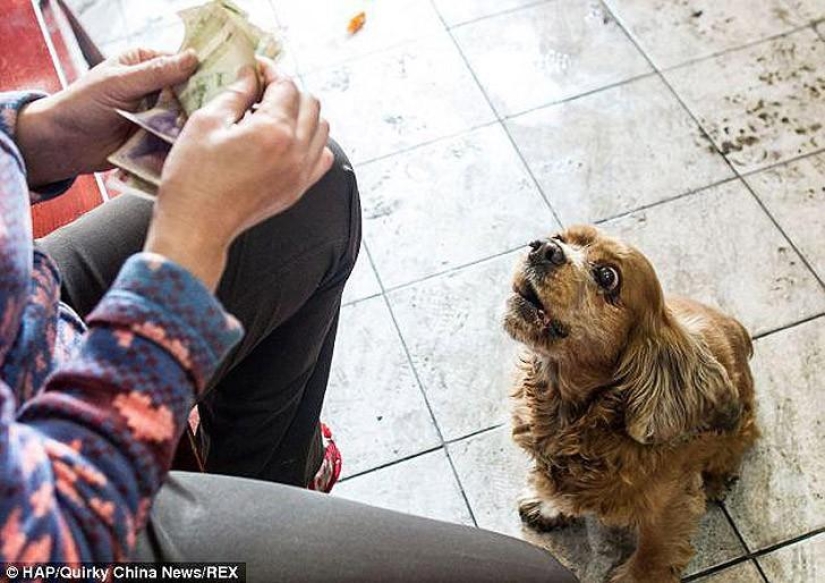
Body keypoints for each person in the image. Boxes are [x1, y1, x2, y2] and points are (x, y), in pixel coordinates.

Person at [0, 48, 577, 582]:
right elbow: (40, 552)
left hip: (25, 311)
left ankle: (268, 477)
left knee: (315, 184)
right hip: (58, 526)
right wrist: (186, 252)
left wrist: (32, 137)